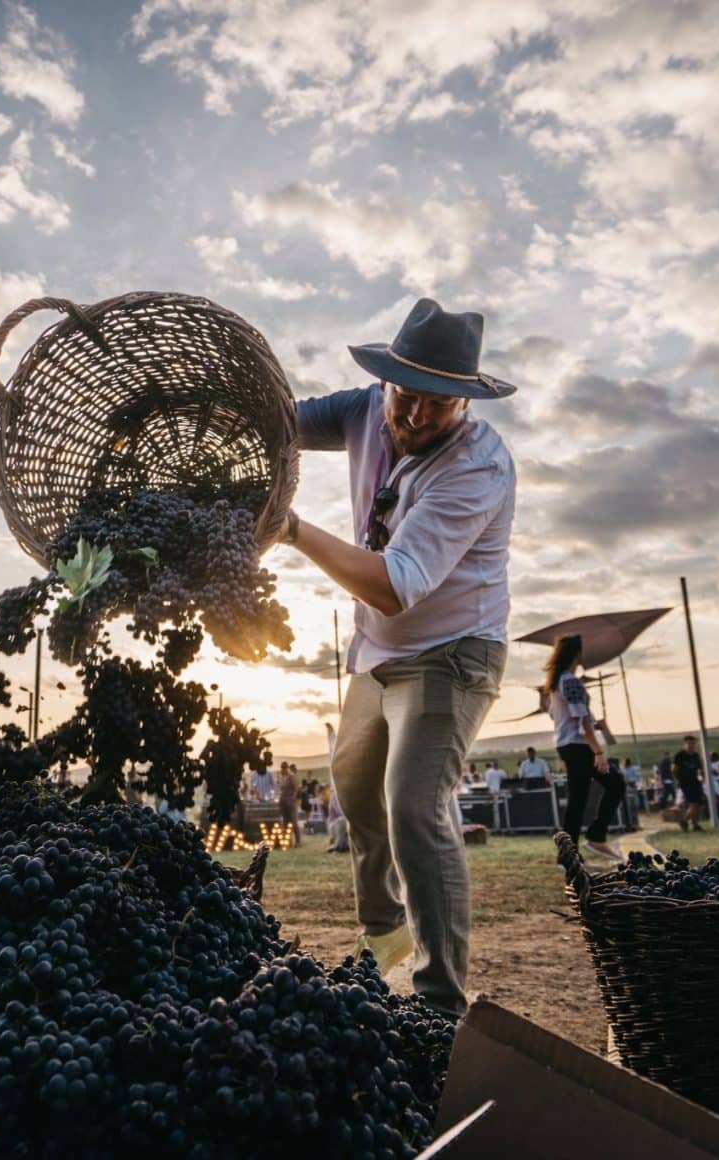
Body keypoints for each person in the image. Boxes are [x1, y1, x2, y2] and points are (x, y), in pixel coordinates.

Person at [282, 297, 515, 1019]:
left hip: (452, 653)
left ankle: (441, 1002)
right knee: (353, 784)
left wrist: (287, 527)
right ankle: (386, 934)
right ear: (386, 381)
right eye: (404, 397)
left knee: (413, 805)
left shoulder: (476, 468)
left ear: (465, 407)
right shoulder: (366, 409)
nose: (413, 417)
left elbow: (390, 587)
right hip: (376, 654)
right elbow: (276, 421)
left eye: (435, 407)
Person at [542, 634, 622, 860]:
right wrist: (598, 751)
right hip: (579, 745)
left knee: (578, 799)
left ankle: (569, 854)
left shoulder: (555, 684)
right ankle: (596, 837)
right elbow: (582, 719)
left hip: (566, 744)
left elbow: (558, 716)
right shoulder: (571, 681)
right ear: (576, 654)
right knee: (616, 784)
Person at [673, 735, 706, 832]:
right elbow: (674, 770)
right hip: (685, 782)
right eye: (689, 743)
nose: (691, 745)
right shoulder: (680, 755)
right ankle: (684, 821)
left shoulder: (695, 756)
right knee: (693, 803)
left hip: (695, 781)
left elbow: (700, 768)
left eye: (693, 743)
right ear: (685, 743)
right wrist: (677, 780)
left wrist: (703, 778)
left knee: (698, 804)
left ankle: (695, 824)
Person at [277, 762, 302, 845]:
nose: (282, 769)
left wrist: (293, 797)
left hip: (290, 801)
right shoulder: (282, 777)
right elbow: (281, 788)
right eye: (282, 768)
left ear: (286, 768)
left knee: (293, 821)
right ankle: (288, 840)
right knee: (285, 821)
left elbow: (296, 787)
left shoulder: (291, 777)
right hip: (283, 801)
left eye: (284, 768)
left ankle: (298, 840)